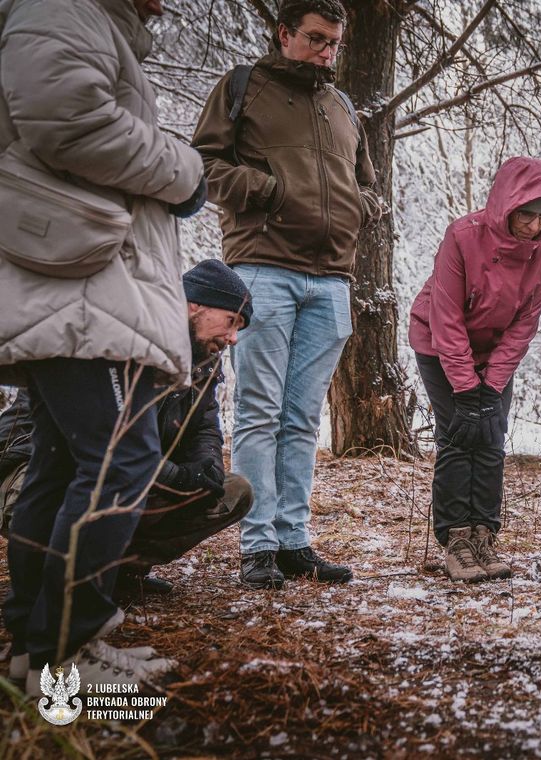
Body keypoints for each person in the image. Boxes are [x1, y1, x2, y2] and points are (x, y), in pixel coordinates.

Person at [0, 0, 207, 693]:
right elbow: (68, 122)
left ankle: (37, 647)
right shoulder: (62, 8)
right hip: (82, 284)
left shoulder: (83, 20)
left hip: (80, 283)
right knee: (121, 458)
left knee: (61, 465)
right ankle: (66, 654)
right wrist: (183, 168)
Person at [191, 0, 382, 589]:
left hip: (332, 279)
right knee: (259, 412)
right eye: (317, 39)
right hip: (262, 269)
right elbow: (201, 164)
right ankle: (257, 546)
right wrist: (269, 191)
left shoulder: (342, 104)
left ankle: (294, 541)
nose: (327, 52)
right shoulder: (242, 86)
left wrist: (360, 211)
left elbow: (366, 184)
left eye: (335, 43)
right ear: (284, 34)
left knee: (301, 419)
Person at [0, 261, 254, 605]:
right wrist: (179, 477)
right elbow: (112, 441)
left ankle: (116, 570)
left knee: (232, 491)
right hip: (35, 469)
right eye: (231, 322)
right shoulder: (126, 338)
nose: (233, 338)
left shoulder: (201, 357)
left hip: (126, 470)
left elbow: (205, 422)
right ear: (196, 304)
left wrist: (206, 464)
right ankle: (51, 605)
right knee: (95, 481)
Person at [409, 157, 541, 582]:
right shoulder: (464, 235)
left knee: (492, 435)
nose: (534, 227)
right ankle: (456, 539)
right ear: (506, 205)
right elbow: (445, 316)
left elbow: (525, 322)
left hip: (495, 351)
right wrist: (465, 388)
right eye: (527, 215)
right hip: (440, 342)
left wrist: (491, 385)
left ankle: (483, 533)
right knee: (460, 434)